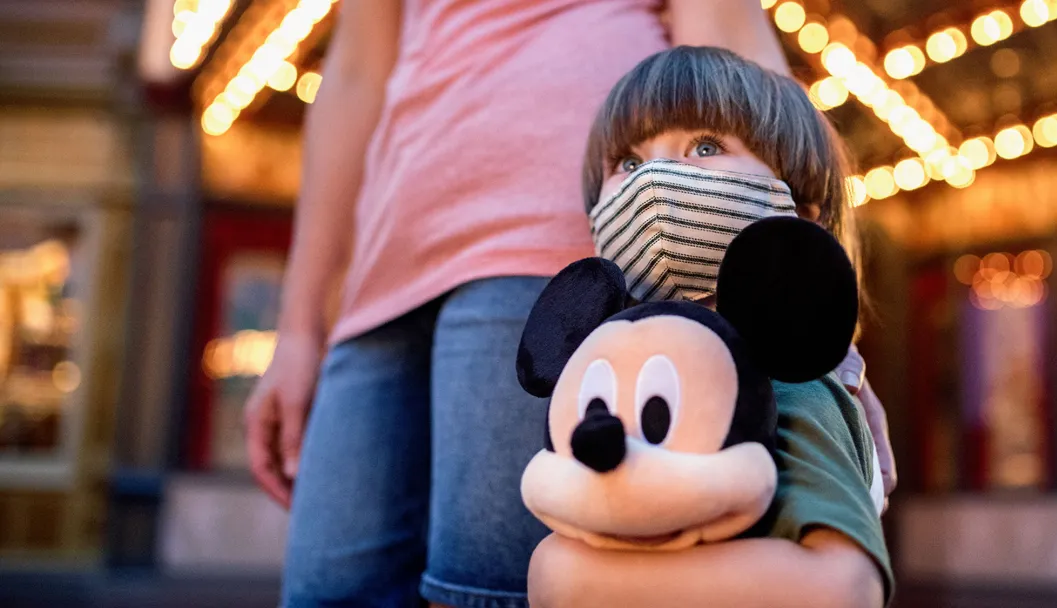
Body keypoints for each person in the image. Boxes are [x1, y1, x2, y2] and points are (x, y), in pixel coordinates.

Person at [242, 2, 894, 607]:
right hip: (380, 274)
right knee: (327, 589)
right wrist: (297, 329)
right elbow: (355, 72)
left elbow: (733, 51)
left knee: (490, 589)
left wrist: (814, 309)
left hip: (558, 255)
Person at [526, 45, 892, 607]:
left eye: (705, 146)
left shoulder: (790, 386)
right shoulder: (612, 372)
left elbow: (844, 586)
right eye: (627, 162)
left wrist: (562, 575)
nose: (652, 181)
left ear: (798, 211)